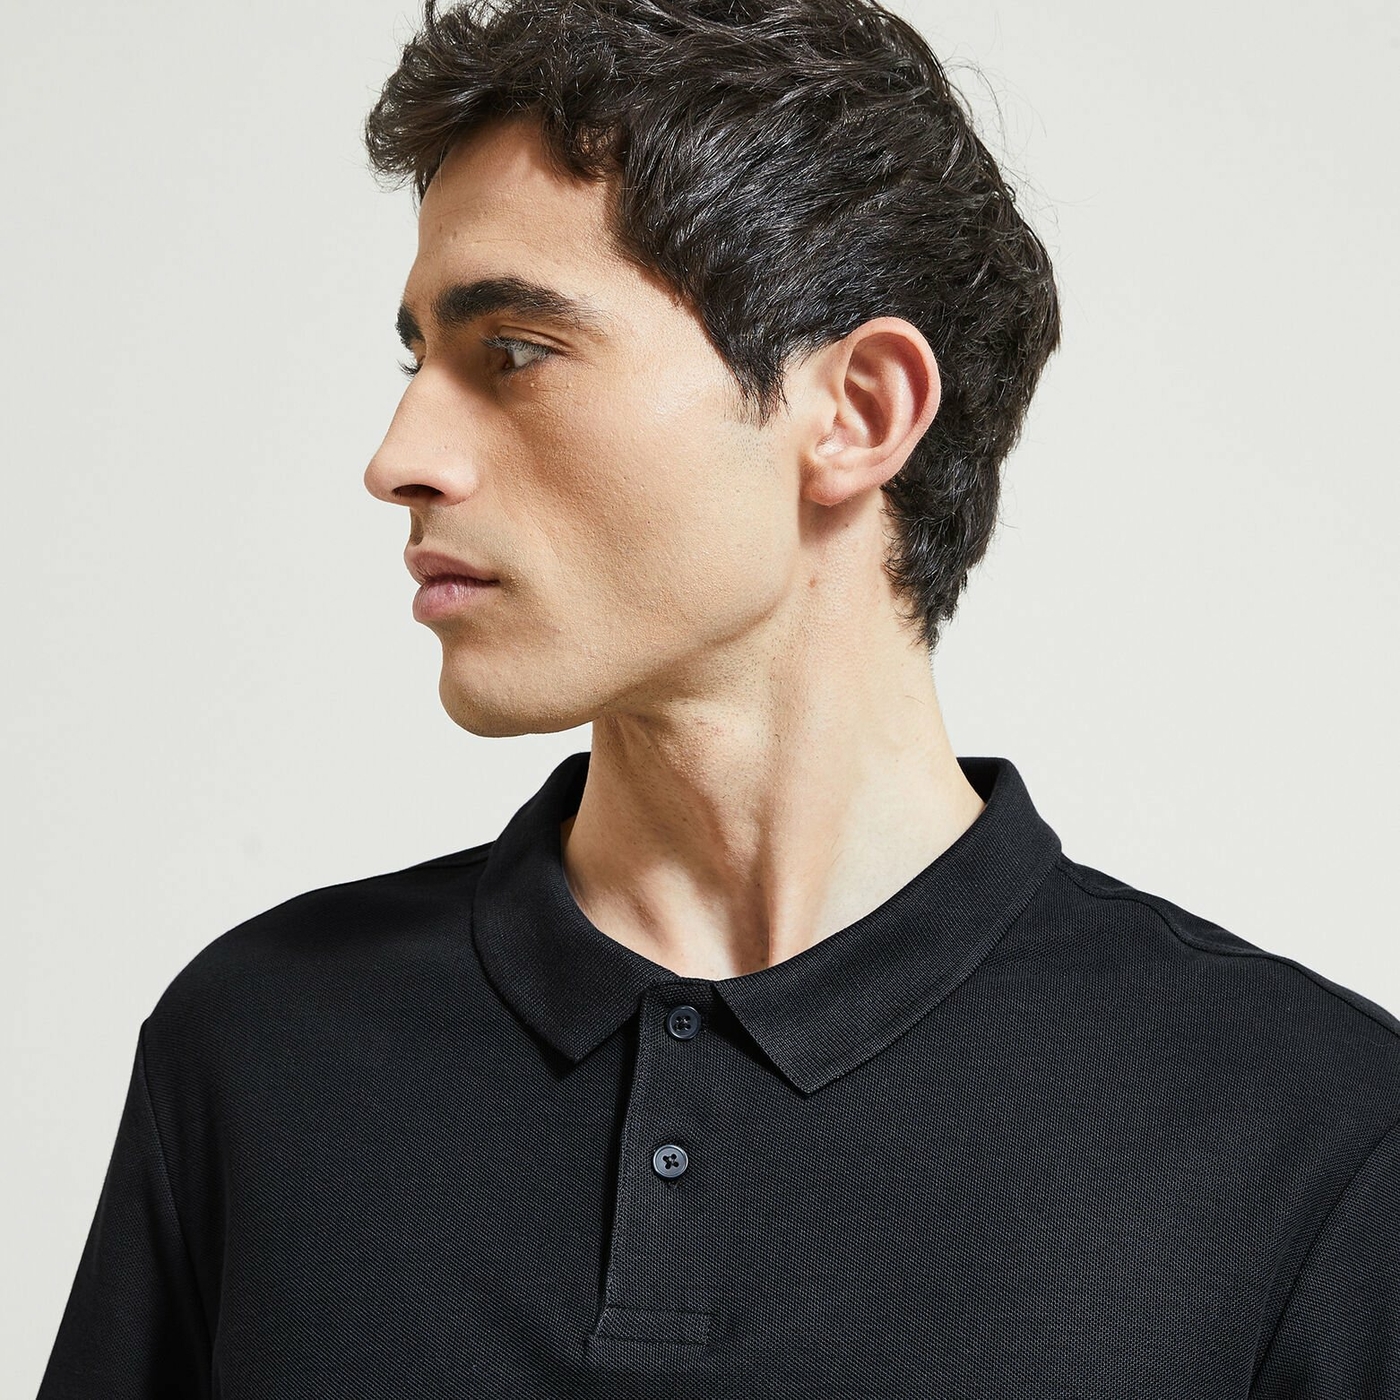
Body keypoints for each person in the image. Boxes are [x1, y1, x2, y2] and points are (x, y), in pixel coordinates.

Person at [37, 0, 1400, 1394]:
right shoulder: (262, 1051)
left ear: (858, 411)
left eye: (515, 351)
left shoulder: (1318, 1142)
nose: (398, 458)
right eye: (416, 362)